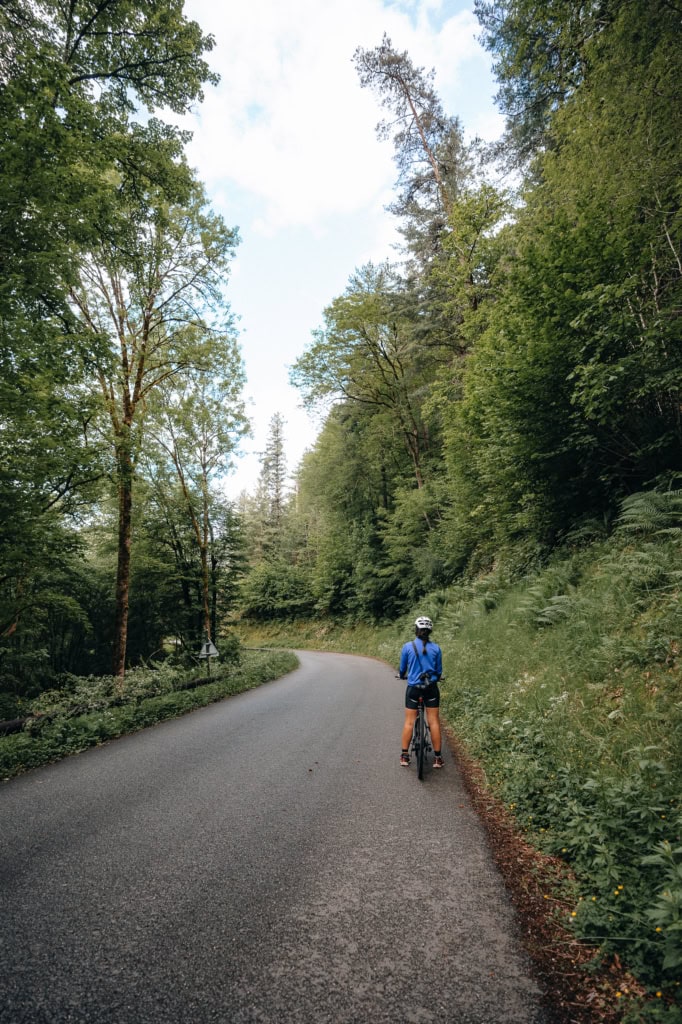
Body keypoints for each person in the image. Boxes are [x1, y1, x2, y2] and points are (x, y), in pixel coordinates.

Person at [398, 615, 444, 769]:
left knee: (409, 721)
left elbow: (403, 668)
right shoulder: (436, 648)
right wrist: (436, 677)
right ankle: (437, 758)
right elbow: (438, 671)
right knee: (434, 721)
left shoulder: (407, 647)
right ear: (430, 631)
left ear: (416, 630)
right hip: (431, 688)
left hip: (413, 689)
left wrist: (402, 674)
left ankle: (404, 756)